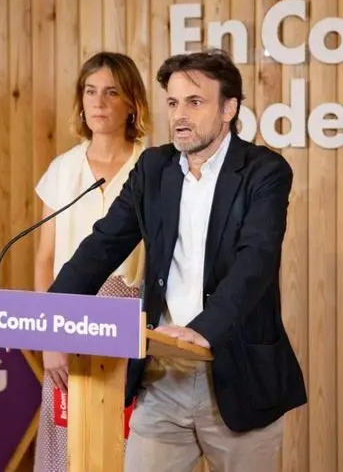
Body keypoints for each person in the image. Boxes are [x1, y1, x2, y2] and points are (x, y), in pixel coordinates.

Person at [42, 48, 308, 472]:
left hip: (237, 374)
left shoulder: (264, 171)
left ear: (229, 108)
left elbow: (255, 263)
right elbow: (103, 245)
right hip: (163, 377)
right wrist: (52, 315)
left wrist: (202, 332)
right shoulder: (154, 168)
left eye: (195, 102)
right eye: (173, 102)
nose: (180, 114)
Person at [32, 51, 151, 472]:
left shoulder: (152, 167)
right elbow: (45, 260)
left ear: (132, 103)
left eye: (111, 92)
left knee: (129, 448)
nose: (98, 103)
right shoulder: (63, 169)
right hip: (70, 323)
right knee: (71, 447)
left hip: (135, 329)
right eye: (90, 91)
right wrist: (51, 339)